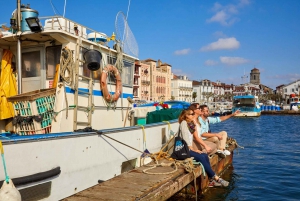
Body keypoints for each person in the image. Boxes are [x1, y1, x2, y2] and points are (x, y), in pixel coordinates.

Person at [178, 109, 229, 187]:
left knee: (204, 155)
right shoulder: (184, 123)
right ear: (186, 116)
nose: (193, 115)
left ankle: (211, 180)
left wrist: (194, 123)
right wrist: (194, 149)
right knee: (201, 157)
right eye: (192, 114)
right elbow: (185, 139)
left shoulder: (190, 124)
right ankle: (216, 178)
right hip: (183, 149)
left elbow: (195, 135)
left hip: (188, 148)